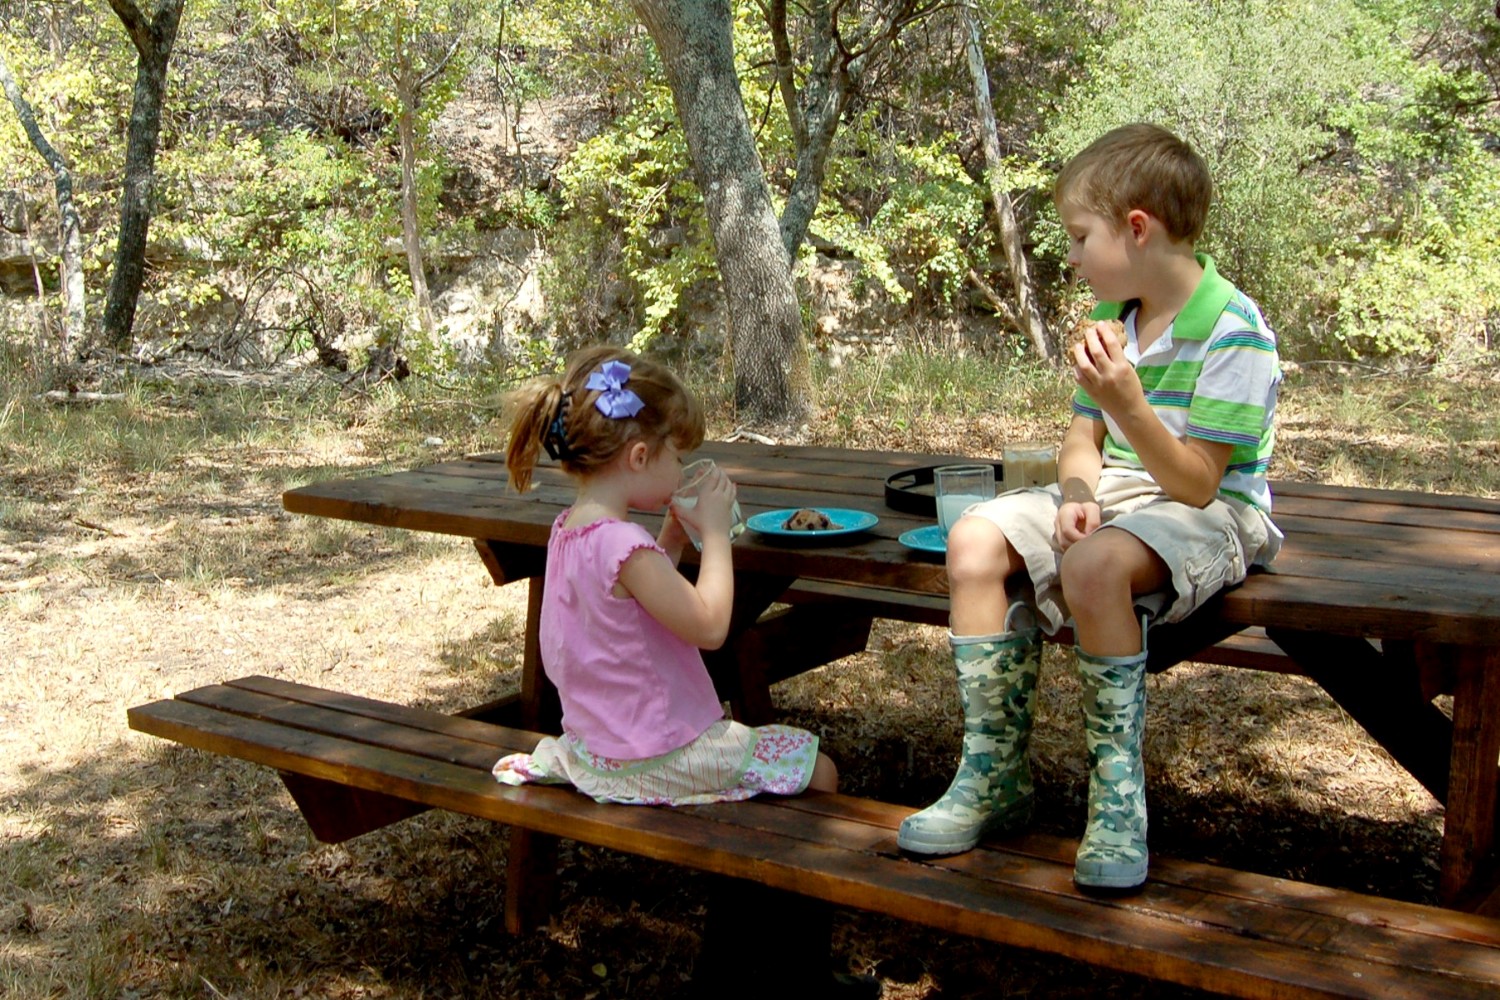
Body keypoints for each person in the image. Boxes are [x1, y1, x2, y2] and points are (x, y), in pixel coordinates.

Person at [897, 123, 1283, 892]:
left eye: (1079, 236)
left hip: (1214, 511)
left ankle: (1116, 798)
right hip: (1123, 495)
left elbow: (1200, 484)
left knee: (1098, 567)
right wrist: (1076, 492)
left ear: (1137, 229)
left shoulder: (1236, 334)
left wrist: (1130, 405)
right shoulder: (1120, 319)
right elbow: (1082, 438)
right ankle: (993, 776)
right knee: (972, 537)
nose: (1070, 256)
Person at [494, 345, 876, 998]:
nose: (680, 466)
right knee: (819, 774)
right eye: (675, 454)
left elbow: (633, 612)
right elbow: (707, 626)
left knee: (758, 800)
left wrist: (670, 541)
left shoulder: (573, 531)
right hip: (659, 754)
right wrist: (718, 537)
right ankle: (803, 975)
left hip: (601, 749)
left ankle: (747, 961)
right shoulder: (623, 545)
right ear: (640, 458)